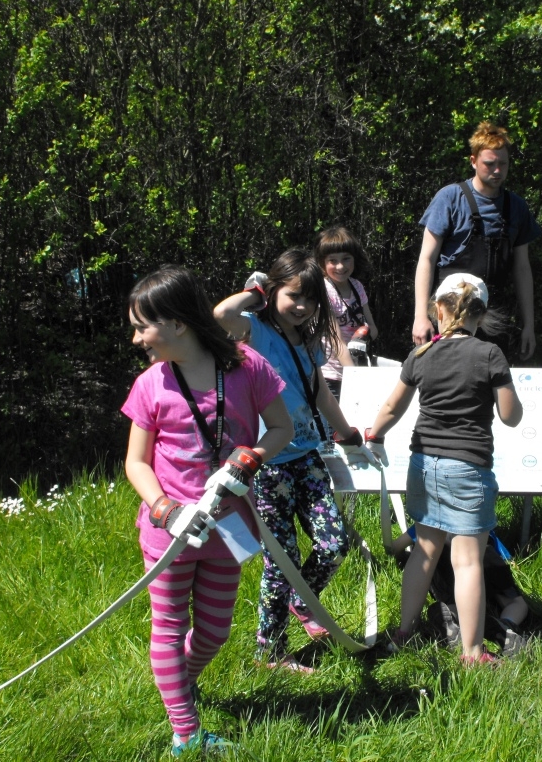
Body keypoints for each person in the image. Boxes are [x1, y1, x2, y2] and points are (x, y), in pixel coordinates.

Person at [122, 265, 293, 757]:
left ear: (177, 323)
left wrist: (252, 457)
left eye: (142, 326)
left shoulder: (247, 366)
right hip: (170, 534)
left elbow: (280, 429)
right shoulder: (150, 384)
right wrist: (165, 509)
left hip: (228, 527)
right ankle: (186, 731)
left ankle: (178, 683)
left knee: (215, 632)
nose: (137, 339)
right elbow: (136, 462)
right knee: (169, 627)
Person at [213, 249, 376, 672]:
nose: (302, 306)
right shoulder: (255, 330)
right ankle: (270, 651)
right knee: (280, 561)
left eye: (310, 300)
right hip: (267, 465)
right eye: (292, 296)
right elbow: (220, 314)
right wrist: (256, 293)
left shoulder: (306, 341)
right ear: (274, 293)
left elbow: (319, 391)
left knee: (334, 543)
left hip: (307, 457)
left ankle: (304, 601)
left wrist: (346, 430)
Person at [367, 272, 523, 664]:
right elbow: (510, 416)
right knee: (467, 560)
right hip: (468, 468)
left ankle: (404, 630)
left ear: (438, 309)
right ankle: (472, 652)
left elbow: (392, 407)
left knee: (425, 548)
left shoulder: (422, 354)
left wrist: (375, 435)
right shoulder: (490, 355)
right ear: (480, 316)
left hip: (422, 465)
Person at [412, 121, 541, 361]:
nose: (497, 170)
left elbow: (522, 269)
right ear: (473, 161)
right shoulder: (450, 198)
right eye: (489, 164)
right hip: (450, 313)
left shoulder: (517, 207)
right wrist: (420, 316)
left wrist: (528, 327)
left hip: (494, 316)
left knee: (490, 382)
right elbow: (426, 260)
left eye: (502, 164)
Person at [426, 532, 531, 657]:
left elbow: (400, 546)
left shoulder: (428, 521)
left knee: (455, 602)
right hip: (480, 554)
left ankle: (451, 617)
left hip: (439, 560)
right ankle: (505, 624)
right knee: (517, 603)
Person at [314, 226, 379, 399]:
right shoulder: (324, 291)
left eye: (346, 259)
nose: (340, 266)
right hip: (331, 375)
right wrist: (355, 379)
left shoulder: (357, 287)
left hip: (358, 368)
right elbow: (336, 342)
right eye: (332, 261)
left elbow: (373, 327)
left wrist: (364, 336)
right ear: (322, 263)